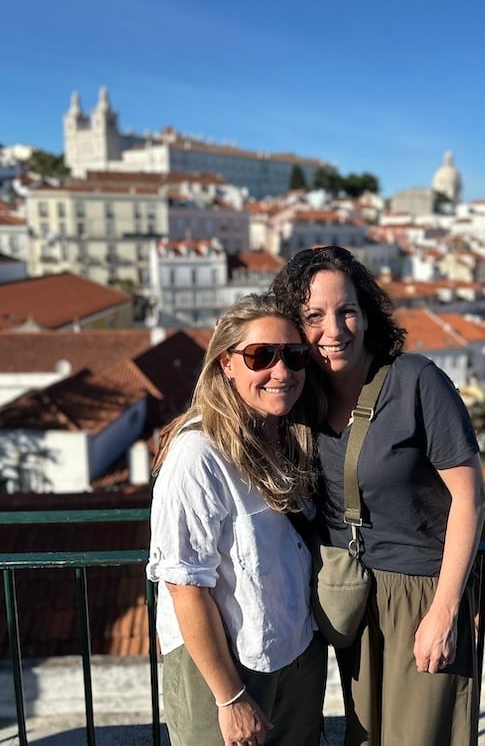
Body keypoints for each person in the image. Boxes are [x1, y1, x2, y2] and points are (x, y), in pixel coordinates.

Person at [270, 247, 485, 746]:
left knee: (421, 737)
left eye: (346, 310)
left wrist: (445, 611)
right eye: (314, 317)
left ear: (366, 313)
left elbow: (470, 497)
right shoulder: (299, 396)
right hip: (350, 597)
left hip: (420, 594)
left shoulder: (417, 381)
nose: (335, 330)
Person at [146, 294, 327, 746]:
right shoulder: (198, 454)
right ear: (226, 364)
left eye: (294, 356)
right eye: (260, 356)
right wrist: (231, 698)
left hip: (294, 651)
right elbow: (185, 585)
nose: (281, 371)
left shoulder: (290, 439)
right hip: (226, 668)